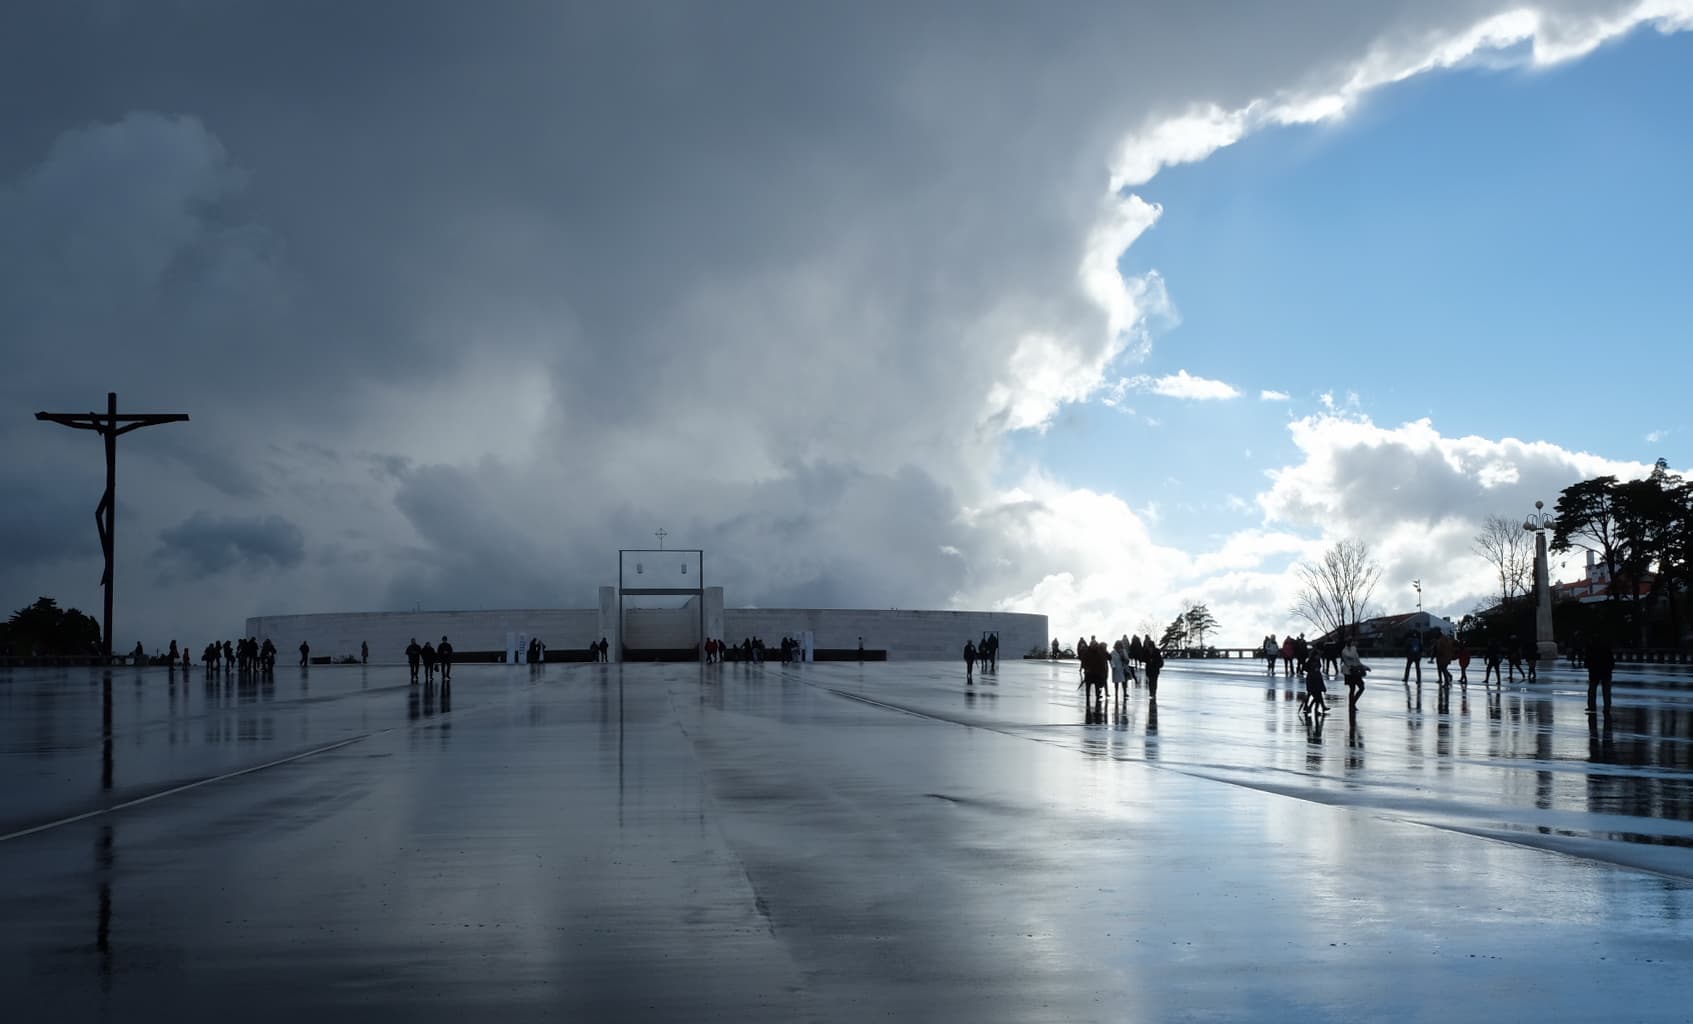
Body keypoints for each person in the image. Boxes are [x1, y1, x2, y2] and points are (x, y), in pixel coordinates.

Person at [1585, 634, 1615, 714]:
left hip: (1594, 671)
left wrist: (1589, 666)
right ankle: (1607, 708)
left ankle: (1592, 706)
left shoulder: (1591, 648)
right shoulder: (1606, 648)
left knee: (1592, 690)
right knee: (1606, 691)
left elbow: (1587, 660)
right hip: (1606, 671)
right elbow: (1611, 660)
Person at [1341, 636, 1368, 707]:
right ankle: (1352, 704)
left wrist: (1364, 667)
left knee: (1361, 687)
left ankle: (1353, 702)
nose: (1356, 643)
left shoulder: (1353, 649)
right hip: (1349, 671)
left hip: (1355, 671)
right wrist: (1353, 648)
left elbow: (1357, 661)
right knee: (1352, 688)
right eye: (1354, 641)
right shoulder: (1344, 650)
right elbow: (1351, 656)